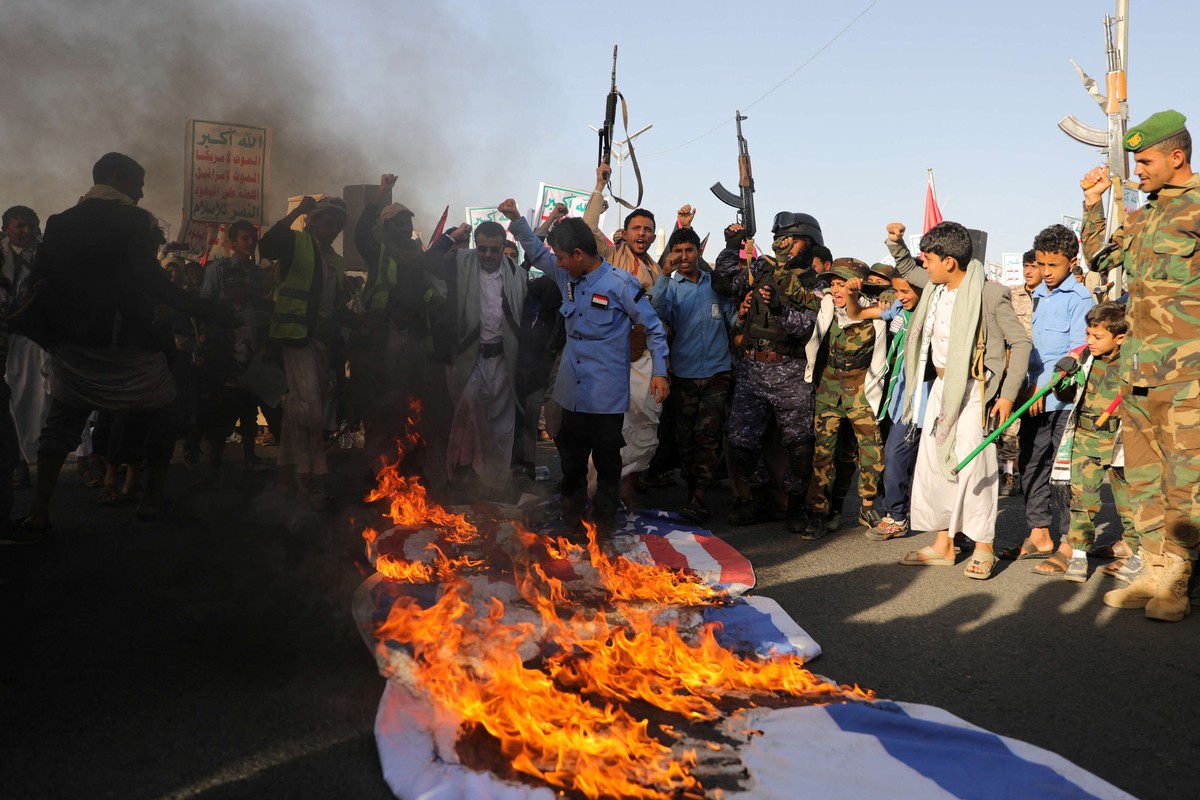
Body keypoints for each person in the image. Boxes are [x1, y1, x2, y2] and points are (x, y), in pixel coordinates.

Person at [4, 152, 212, 541]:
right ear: (117, 177)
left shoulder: (60, 222)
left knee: (62, 423)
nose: (143, 190)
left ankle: (38, 511)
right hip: (127, 346)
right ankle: (151, 500)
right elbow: (152, 281)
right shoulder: (135, 220)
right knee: (164, 414)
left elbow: (40, 281)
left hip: (73, 349)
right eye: (138, 182)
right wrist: (205, 309)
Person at [1081, 109, 1199, 621]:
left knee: (1185, 480)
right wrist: (1091, 205)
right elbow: (1100, 260)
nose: (1138, 169)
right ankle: (1152, 565)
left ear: (1177, 156)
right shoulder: (1143, 213)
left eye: (1145, 160)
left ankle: (1178, 576)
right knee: (1143, 479)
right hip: (1137, 373)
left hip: (1187, 374)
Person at [503, 202, 668, 534]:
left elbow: (653, 327)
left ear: (578, 254)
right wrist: (516, 220)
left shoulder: (621, 285)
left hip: (606, 394)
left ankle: (604, 525)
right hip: (571, 391)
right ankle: (573, 523)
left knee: (607, 464)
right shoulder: (566, 273)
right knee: (571, 462)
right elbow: (537, 253)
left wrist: (660, 371)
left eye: (562, 256)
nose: (557, 262)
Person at [894, 221, 1030, 579]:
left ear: (949, 262)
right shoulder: (935, 288)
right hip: (942, 391)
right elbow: (908, 266)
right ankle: (944, 544)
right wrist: (894, 243)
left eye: (929, 259)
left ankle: (983, 547)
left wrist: (1006, 397)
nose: (924, 265)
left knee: (976, 469)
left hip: (975, 392)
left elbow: (1020, 343)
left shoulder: (989, 294)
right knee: (935, 466)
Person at [715, 213, 821, 532]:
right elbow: (723, 281)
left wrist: (778, 308)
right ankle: (760, 498)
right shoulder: (761, 269)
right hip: (752, 369)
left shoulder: (815, 282)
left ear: (809, 243)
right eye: (780, 240)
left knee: (800, 448)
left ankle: (795, 506)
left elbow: (809, 327)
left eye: (792, 240)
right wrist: (733, 244)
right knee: (740, 446)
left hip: (791, 371)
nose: (785, 246)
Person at [1003, 224, 1093, 564]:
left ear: (1072, 262)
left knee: (1064, 474)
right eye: (1040, 264)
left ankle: (1070, 543)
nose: (1045, 272)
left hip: (1063, 401)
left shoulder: (1080, 298)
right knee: (1031, 464)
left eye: (1052, 265)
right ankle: (1039, 532)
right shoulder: (1039, 295)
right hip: (1033, 398)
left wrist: (1048, 384)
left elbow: (1079, 350)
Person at [422, 216, 528, 495]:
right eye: (483, 249)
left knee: (501, 424)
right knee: (470, 411)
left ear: (503, 246)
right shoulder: (462, 264)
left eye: (494, 249)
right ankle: (464, 475)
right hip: (471, 356)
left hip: (504, 359)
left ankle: (494, 483)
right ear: (476, 247)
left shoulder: (517, 274)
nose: (488, 255)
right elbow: (429, 261)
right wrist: (452, 235)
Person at [261, 195, 351, 507]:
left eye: (339, 224)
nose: (334, 228)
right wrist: (297, 211)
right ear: (313, 221)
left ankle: (286, 475)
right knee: (311, 410)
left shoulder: (336, 261)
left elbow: (334, 306)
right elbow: (268, 245)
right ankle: (310, 478)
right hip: (296, 339)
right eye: (329, 221)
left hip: (322, 344)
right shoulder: (296, 243)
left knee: (298, 410)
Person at [1038, 302, 1137, 582]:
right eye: (1088, 335)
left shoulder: (1133, 361)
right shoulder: (1084, 358)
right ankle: (1079, 555)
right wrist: (1061, 378)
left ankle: (1136, 552)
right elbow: (1066, 396)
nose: (1090, 342)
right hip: (1087, 438)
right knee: (1082, 499)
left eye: (1097, 337)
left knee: (1130, 502)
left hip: (1122, 440)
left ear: (1120, 338)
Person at [584, 164, 663, 506]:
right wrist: (599, 186)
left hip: (643, 356)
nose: (642, 234)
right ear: (626, 232)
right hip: (610, 355)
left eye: (648, 229)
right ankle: (596, 494)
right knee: (607, 427)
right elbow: (587, 230)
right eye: (636, 228)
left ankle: (627, 490)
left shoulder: (657, 270)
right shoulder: (610, 256)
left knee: (643, 425)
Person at [651, 227, 736, 522]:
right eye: (679, 251)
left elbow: (733, 319)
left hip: (718, 372)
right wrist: (663, 275)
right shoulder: (671, 287)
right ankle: (692, 489)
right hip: (684, 373)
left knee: (708, 434)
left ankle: (698, 495)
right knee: (685, 437)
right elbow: (654, 309)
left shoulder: (717, 284)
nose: (684, 257)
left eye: (689, 250)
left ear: (699, 252)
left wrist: (746, 305)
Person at [841, 249, 926, 542]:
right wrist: (852, 294)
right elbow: (857, 314)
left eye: (906, 290)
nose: (901, 296)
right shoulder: (899, 310)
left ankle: (956, 530)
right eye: (898, 290)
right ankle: (897, 516)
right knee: (894, 458)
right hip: (902, 402)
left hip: (929, 402)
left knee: (929, 467)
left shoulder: (934, 312)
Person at [799, 258, 888, 539]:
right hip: (828, 389)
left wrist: (885, 293)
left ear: (857, 286)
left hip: (861, 388)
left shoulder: (875, 311)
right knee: (823, 455)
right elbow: (795, 292)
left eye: (842, 284)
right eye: (833, 284)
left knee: (872, 449)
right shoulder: (824, 305)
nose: (836, 290)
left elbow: (901, 297)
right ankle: (817, 514)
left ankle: (868, 505)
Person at [1, 206, 48, 489]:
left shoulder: (47, 256)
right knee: (13, 402)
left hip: (37, 338)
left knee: (42, 401)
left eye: (31, 226)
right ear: (6, 228)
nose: (26, 232)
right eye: (19, 226)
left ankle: (38, 461)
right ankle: (18, 462)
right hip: (7, 337)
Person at [998, 249, 1041, 497]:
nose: (1028, 270)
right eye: (1026, 265)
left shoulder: (1050, 296)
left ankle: (1031, 475)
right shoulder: (1011, 295)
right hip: (1014, 367)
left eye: (1033, 266)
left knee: (1035, 429)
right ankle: (1009, 475)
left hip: (1041, 369)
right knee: (1010, 427)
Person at [201, 219, 259, 300]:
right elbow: (206, 300)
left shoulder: (256, 271)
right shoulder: (218, 268)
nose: (251, 242)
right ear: (233, 242)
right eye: (245, 238)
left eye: (254, 239)